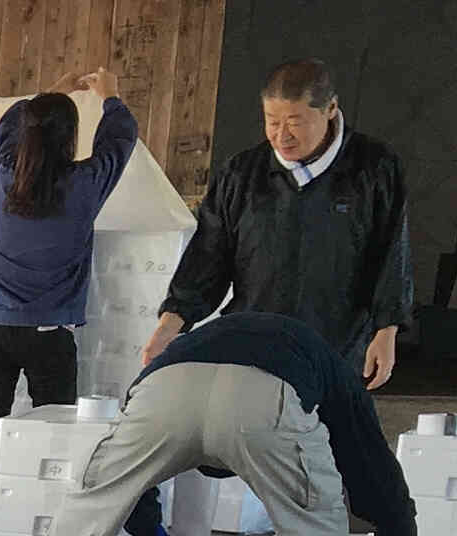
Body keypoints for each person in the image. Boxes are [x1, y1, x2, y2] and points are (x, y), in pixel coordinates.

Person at [10, 306, 418, 536]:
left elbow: (124, 481)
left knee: (85, 511)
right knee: (312, 533)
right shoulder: (327, 362)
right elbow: (372, 469)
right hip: (263, 400)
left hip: (166, 390)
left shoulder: (196, 342)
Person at [0, 68, 211, 536]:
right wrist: (108, 95)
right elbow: (121, 139)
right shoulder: (84, 184)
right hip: (50, 336)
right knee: (62, 442)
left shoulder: (3, 173)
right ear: (71, 140)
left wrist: (51, 90)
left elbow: (11, 122)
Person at [151, 59, 411, 392]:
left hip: (337, 347)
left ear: (330, 108)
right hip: (251, 344)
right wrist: (170, 324)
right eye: (272, 122)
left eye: (294, 122)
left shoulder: (374, 168)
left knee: (323, 438)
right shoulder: (242, 173)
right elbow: (207, 257)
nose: (281, 135)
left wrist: (387, 331)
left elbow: (392, 255)